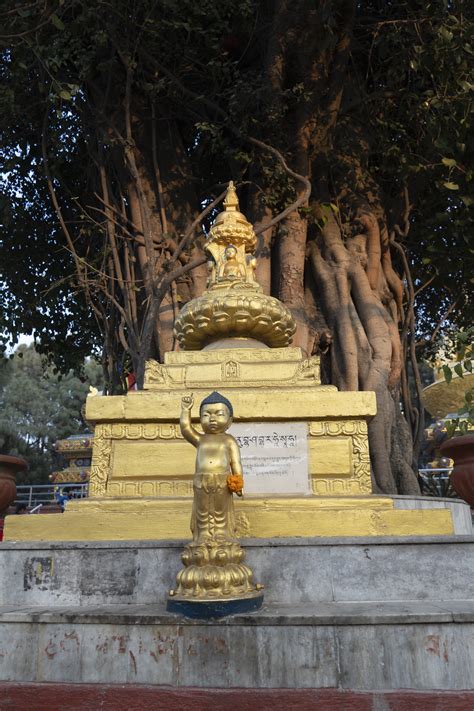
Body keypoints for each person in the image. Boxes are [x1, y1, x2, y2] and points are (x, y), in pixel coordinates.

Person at [180, 391, 243, 544]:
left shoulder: (229, 441)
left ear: (229, 420)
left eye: (219, 414)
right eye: (206, 415)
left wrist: (238, 481)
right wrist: (185, 410)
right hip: (201, 481)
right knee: (202, 510)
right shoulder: (200, 439)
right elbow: (186, 429)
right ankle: (204, 535)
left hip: (222, 481)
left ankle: (221, 533)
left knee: (220, 510)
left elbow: (235, 463)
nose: (212, 418)